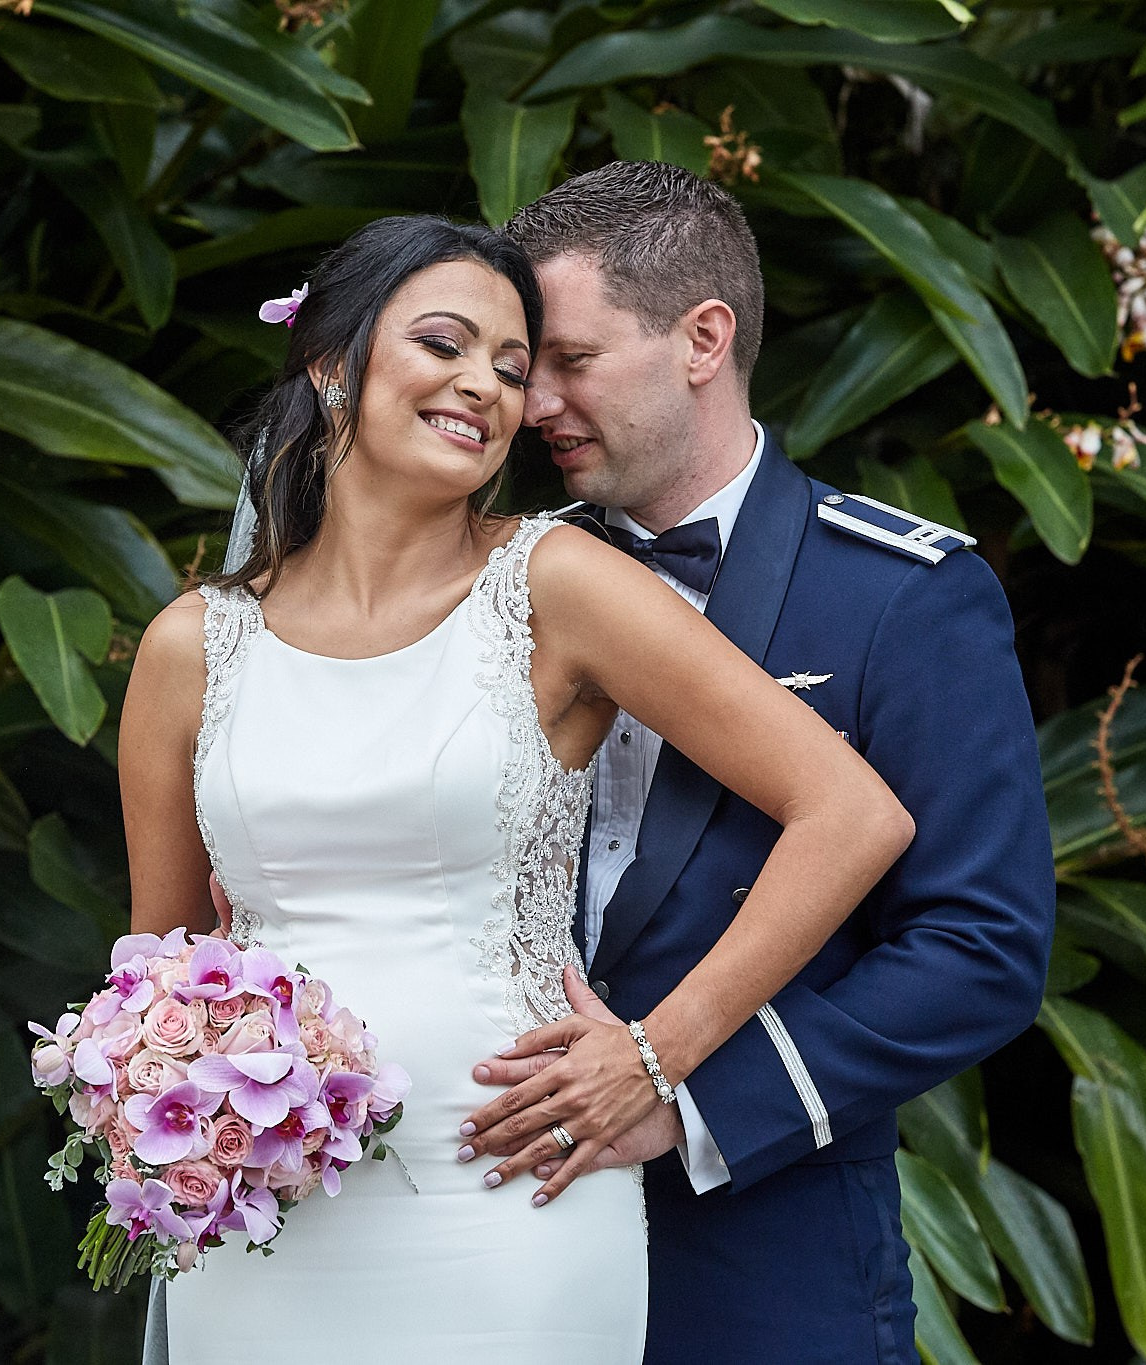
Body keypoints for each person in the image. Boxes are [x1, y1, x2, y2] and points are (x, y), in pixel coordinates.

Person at [118, 214, 914, 1362]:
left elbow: (850, 813)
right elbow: (162, 962)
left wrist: (658, 1051)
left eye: (510, 367)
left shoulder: (553, 583)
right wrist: (161, 1110)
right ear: (332, 364)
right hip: (268, 1221)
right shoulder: (192, 645)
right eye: (443, 345)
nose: (484, 388)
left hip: (508, 1199)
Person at [456, 162, 1056, 1363]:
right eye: (530, 371)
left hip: (764, 1253)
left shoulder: (901, 598)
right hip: (478, 1231)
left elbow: (979, 947)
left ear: (702, 338)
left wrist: (680, 1102)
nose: (533, 408)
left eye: (569, 361)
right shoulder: (484, 584)